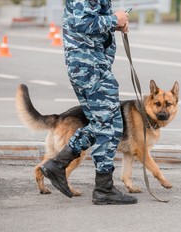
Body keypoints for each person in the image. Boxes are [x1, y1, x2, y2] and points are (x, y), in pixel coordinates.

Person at [40, 0, 137, 205]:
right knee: (108, 125)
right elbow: (81, 22)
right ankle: (103, 189)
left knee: (106, 124)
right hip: (89, 66)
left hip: (92, 65)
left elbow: (91, 21)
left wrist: (114, 24)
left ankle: (58, 165)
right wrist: (114, 19)